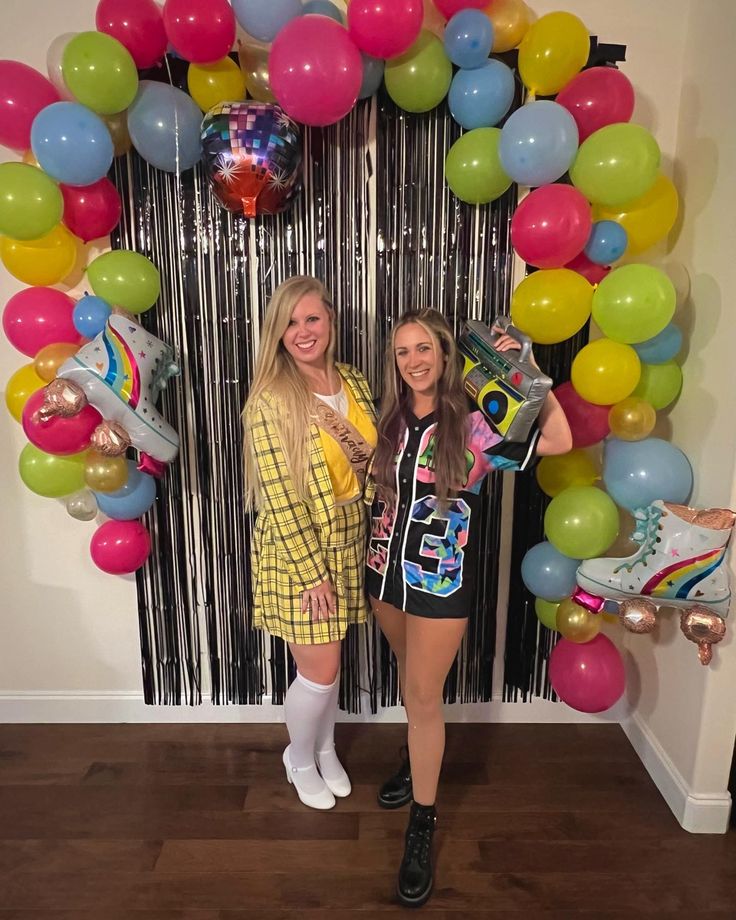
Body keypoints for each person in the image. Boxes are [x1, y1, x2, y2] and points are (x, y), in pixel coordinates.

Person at [366, 309, 572, 907]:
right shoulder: (389, 417)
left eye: (424, 348)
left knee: (425, 696)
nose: (414, 361)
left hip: (438, 581)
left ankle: (422, 824)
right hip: (383, 572)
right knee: (410, 686)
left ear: (445, 352)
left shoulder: (480, 421)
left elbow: (558, 440)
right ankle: (414, 760)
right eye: (403, 352)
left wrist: (528, 370)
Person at [243, 275, 377, 811]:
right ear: (277, 333)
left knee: (332, 661)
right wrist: (312, 573)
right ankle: (298, 758)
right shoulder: (270, 402)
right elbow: (279, 498)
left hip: (351, 542)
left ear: (330, 322)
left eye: (312, 319)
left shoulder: (354, 380)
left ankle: (325, 747)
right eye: (291, 322)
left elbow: (373, 462)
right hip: (300, 554)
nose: (303, 331)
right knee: (318, 673)